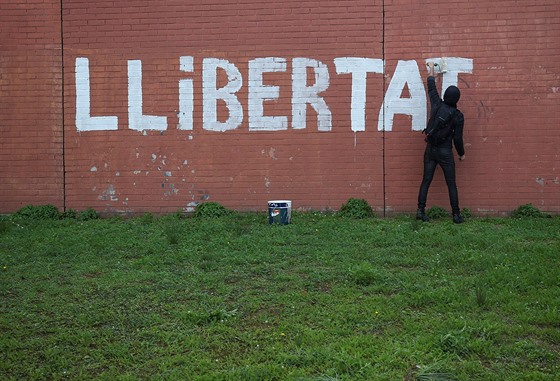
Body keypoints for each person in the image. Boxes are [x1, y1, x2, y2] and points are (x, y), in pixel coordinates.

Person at [416, 62, 465, 224]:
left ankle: (420, 210)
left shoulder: (437, 104)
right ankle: (456, 215)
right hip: (445, 152)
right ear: (457, 99)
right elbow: (457, 138)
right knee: (451, 183)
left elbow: (431, 87)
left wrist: (431, 69)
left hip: (430, 149)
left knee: (426, 180)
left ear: (445, 96)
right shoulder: (457, 116)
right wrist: (461, 154)